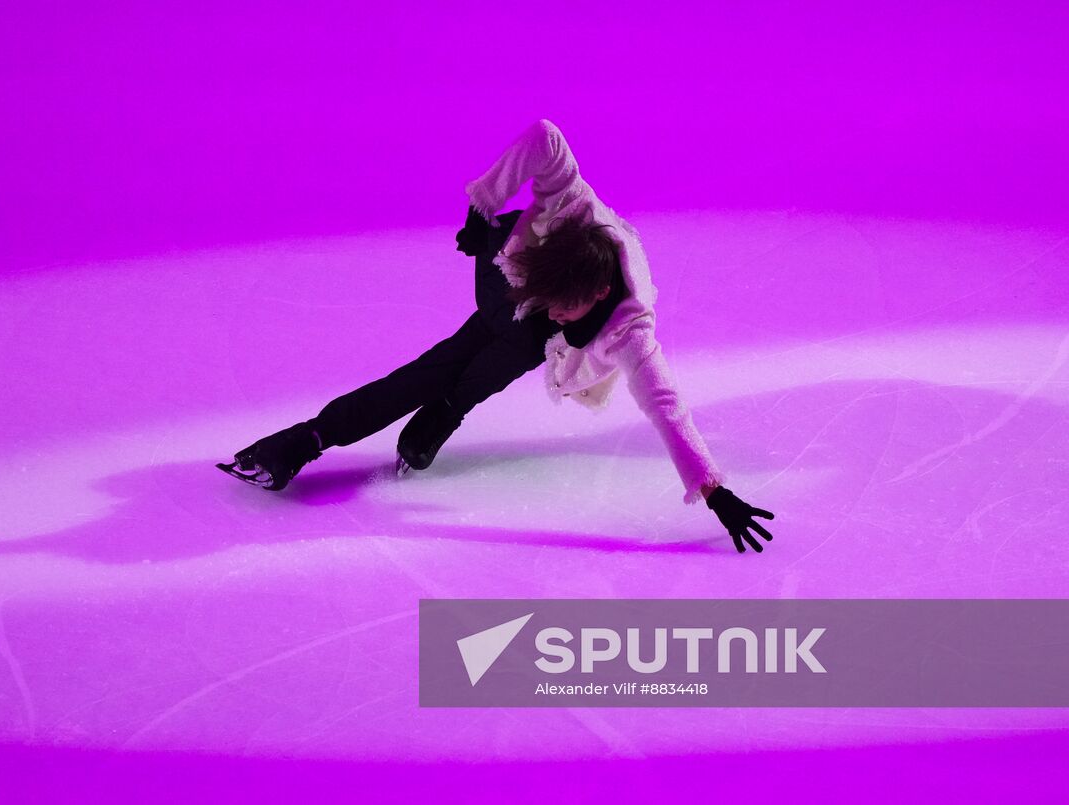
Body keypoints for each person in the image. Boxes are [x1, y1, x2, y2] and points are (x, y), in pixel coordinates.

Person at [218, 119, 776, 554]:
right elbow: (545, 136)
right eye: (553, 304)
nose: (557, 313)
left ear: (601, 292)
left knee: (496, 352)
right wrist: (481, 204)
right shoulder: (571, 207)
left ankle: (397, 419)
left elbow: (665, 405)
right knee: (454, 362)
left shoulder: (631, 330)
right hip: (509, 266)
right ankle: (340, 431)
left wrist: (711, 488)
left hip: (524, 315)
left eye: (566, 308)